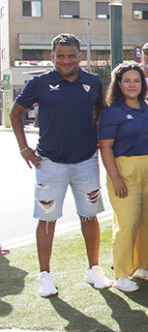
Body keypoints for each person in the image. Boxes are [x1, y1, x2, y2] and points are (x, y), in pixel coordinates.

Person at [11, 33, 110, 297]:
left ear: (80, 57)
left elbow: (100, 110)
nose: (66, 60)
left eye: (71, 56)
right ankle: (45, 274)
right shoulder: (39, 82)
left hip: (86, 160)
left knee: (89, 215)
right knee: (47, 218)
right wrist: (24, 148)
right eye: (61, 56)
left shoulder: (92, 81)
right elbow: (16, 112)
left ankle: (93, 268)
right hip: (50, 162)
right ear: (52, 57)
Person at [98, 64, 148, 293]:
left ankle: (142, 265)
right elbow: (105, 147)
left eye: (136, 80)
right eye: (127, 80)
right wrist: (115, 177)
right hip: (125, 169)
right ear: (119, 84)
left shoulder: (147, 107)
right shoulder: (111, 111)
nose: (132, 85)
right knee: (128, 222)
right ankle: (122, 272)